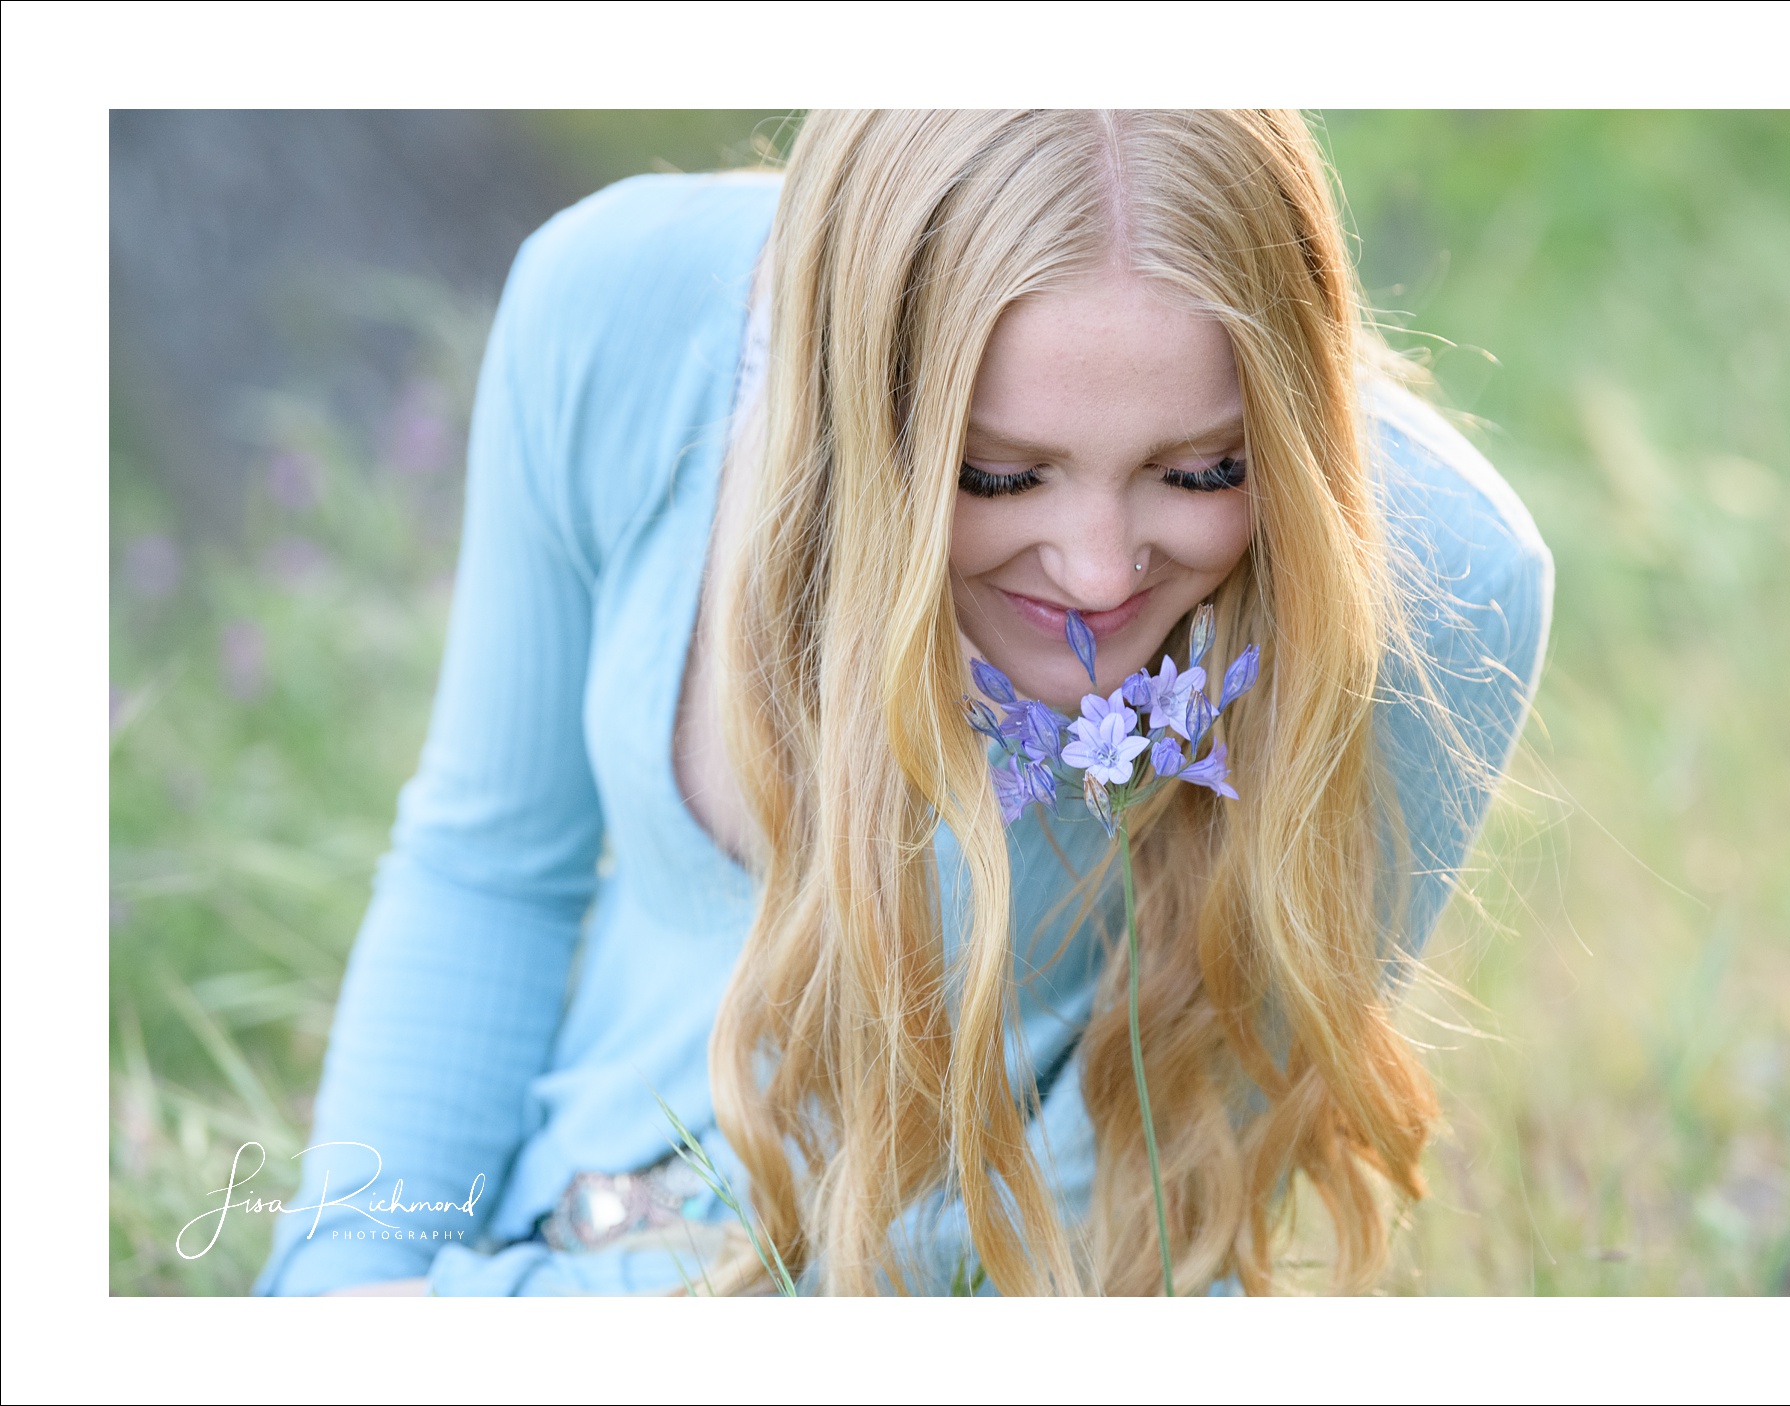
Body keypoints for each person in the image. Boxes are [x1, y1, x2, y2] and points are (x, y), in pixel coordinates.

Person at [255, 109, 1551, 1298]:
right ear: (838, 419)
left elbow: (1119, 1232)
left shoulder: (1426, 585)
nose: (1102, 570)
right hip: (513, 1257)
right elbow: (489, 870)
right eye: (999, 476)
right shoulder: (614, 315)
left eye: (1201, 467)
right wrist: (351, 1273)